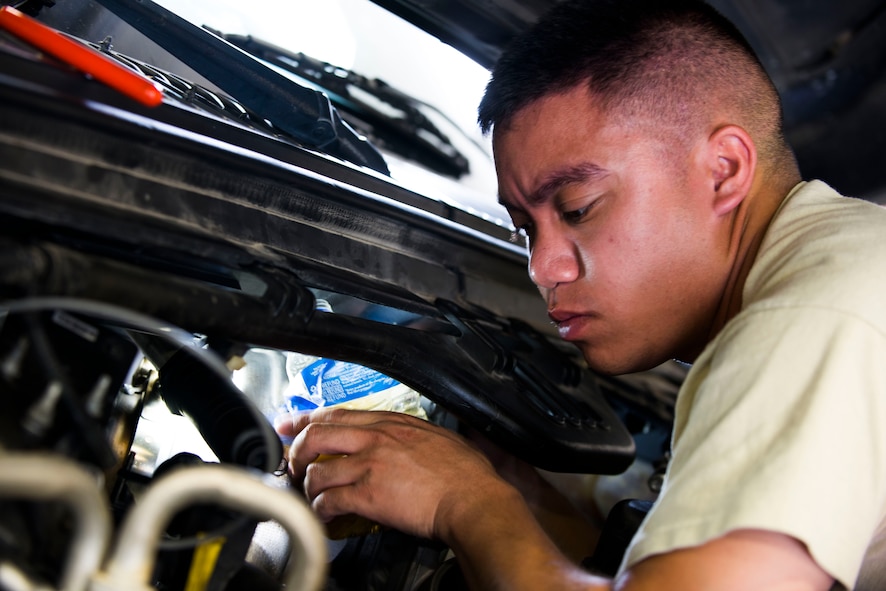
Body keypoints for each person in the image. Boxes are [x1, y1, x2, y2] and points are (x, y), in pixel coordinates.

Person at [276, 0, 886, 588]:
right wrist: (496, 478)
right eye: (526, 229)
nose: (542, 267)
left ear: (723, 170)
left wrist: (465, 504)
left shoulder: (813, 317)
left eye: (577, 208)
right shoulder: (843, 267)